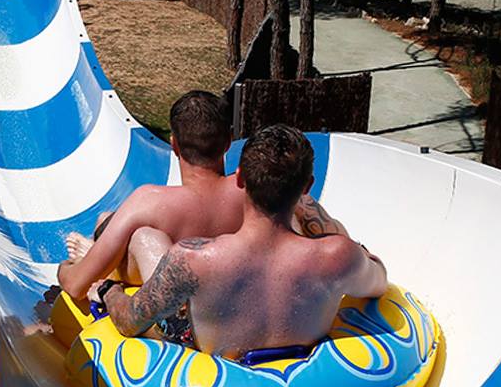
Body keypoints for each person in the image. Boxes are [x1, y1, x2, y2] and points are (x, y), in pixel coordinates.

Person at [57, 91, 349, 341]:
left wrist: (65, 268)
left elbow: (76, 285)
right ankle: (100, 246)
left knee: (138, 233)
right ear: (228, 143)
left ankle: (98, 254)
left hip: (180, 302)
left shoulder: (149, 201)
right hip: (230, 280)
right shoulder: (256, 190)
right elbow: (338, 241)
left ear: (173, 145)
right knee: (114, 222)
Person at [98, 125, 389, 360]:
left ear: (239, 180)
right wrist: (349, 246)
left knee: (145, 239)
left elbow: (128, 322)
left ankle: (97, 253)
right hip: (309, 372)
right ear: (308, 187)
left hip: (211, 356)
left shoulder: (192, 258)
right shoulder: (338, 255)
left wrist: (109, 290)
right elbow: (378, 283)